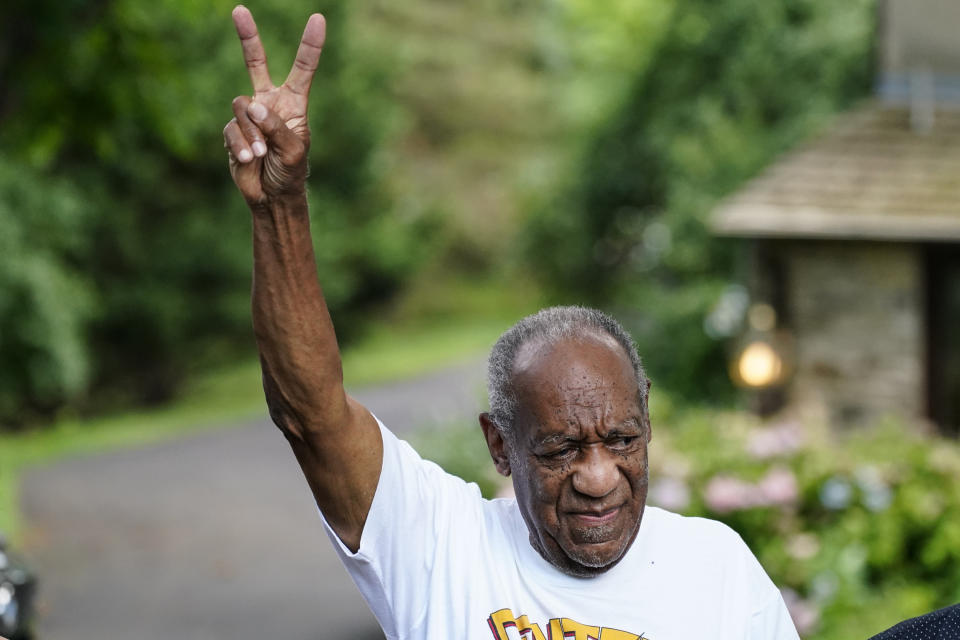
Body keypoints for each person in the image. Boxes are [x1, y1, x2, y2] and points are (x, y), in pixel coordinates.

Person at [222, 6, 800, 639]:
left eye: (623, 440)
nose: (599, 478)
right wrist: (280, 206)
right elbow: (310, 413)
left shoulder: (716, 570)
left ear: (647, 420)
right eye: (560, 450)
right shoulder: (440, 543)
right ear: (499, 445)